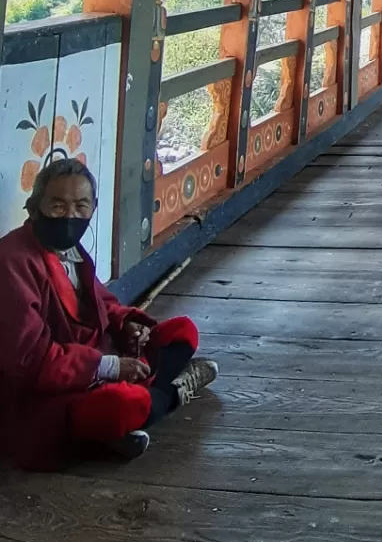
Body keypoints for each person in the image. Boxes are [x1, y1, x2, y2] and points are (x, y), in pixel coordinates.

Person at [0, 153, 218, 470]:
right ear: (35, 207)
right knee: (126, 404)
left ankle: (118, 428)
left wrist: (128, 324)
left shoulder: (71, 250)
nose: (69, 216)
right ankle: (170, 395)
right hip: (45, 392)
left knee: (183, 330)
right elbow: (32, 360)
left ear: (93, 208)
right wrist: (109, 368)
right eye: (57, 205)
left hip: (98, 359)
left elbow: (103, 303)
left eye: (81, 206)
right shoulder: (11, 260)